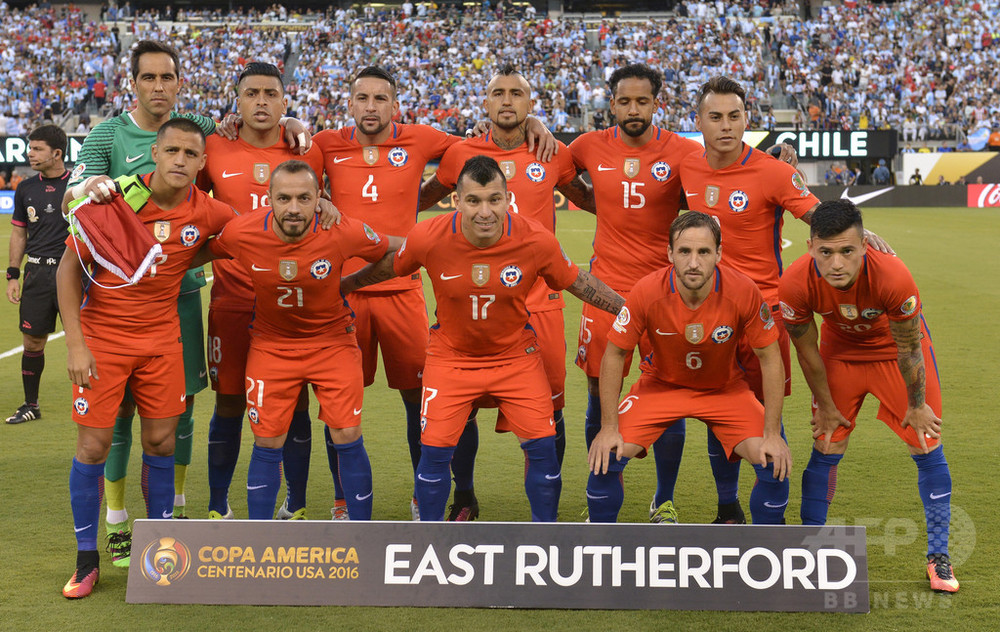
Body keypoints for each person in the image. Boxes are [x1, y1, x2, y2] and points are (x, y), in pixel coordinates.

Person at [63, 39, 310, 563]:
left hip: (175, 316)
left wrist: (293, 133)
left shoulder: (205, 151)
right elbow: (73, 207)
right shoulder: (117, 166)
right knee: (103, 436)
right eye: (147, 77)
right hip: (107, 320)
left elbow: (247, 226)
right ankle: (106, 532)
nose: (158, 86)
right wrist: (92, 191)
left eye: (167, 77)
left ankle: (165, 529)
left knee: (168, 427)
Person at [314, 65, 555, 520]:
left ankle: (431, 494)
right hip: (344, 293)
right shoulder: (325, 144)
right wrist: (319, 191)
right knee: (337, 404)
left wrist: (533, 123)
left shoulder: (423, 139)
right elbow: (293, 181)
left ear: (395, 105)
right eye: (361, 98)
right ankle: (343, 501)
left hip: (403, 290)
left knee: (422, 397)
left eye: (380, 99)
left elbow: (482, 147)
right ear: (348, 104)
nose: (370, 107)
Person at [343, 156, 623, 522]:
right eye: (474, 200)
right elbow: (390, 266)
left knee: (542, 448)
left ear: (508, 199)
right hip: (451, 358)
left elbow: (578, 282)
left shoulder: (536, 239)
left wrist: (628, 310)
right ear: (456, 201)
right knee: (434, 452)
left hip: (515, 357)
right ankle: (431, 538)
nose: (485, 211)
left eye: (494, 199)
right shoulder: (429, 236)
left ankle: (547, 535)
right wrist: (343, 286)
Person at [679, 76, 892, 522]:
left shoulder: (774, 172)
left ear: (746, 120)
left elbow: (816, 215)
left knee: (766, 420)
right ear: (698, 121)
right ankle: (727, 507)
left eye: (734, 116)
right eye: (715, 116)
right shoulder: (688, 166)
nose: (725, 126)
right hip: (705, 313)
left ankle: (772, 526)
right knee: (720, 419)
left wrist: (859, 233)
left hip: (762, 316)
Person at [57, 119, 236, 598]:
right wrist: (76, 343)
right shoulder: (115, 200)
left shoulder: (210, 210)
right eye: (171, 150)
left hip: (162, 343)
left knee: (160, 443)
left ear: (202, 163)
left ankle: (158, 559)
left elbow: (247, 236)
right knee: (93, 448)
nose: (180, 159)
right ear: (153, 153)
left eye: (190, 153)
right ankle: (86, 559)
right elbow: (69, 270)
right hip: (103, 341)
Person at [418, 63, 593, 519]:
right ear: (486, 102)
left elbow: (597, 197)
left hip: (542, 301)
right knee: (463, 406)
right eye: (499, 92)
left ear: (531, 104)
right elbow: (418, 196)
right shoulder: (462, 154)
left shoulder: (553, 152)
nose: (508, 100)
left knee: (551, 409)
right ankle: (465, 496)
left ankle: (545, 505)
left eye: (518, 93)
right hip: (479, 301)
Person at [570, 63, 740, 526]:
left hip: (668, 295)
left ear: (656, 104)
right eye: (624, 101)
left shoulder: (682, 152)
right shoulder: (587, 146)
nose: (633, 109)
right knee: (596, 397)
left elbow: (726, 170)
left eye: (642, 101)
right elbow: (557, 173)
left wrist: (783, 155)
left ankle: (663, 499)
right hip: (604, 291)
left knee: (672, 392)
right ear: (611, 104)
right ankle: (601, 495)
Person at [778, 199, 958, 593]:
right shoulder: (794, 283)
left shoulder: (893, 276)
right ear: (810, 247)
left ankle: (939, 558)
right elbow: (807, 352)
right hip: (840, 355)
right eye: (825, 252)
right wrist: (825, 406)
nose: (836, 263)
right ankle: (808, 551)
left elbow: (910, 348)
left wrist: (915, 405)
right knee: (826, 442)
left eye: (847, 251)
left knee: (927, 441)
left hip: (894, 355)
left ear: (865, 246)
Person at [207, 160, 398, 521]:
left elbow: (398, 249)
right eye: (284, 198)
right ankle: (259, 544)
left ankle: (362, 535)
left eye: (303, 198)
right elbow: (198, 251)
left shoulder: (341, 229)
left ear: (319, 199)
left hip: (333, 344)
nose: (293, 208)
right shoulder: (242, 232)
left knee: (346, 433)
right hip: (270, 347)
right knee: (267, 440)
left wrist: (354, 282)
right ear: (269, 199)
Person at [587, 212, 791, 524]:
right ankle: (600, 550)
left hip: (725, 389)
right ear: (670, 253)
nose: (693, 263)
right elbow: (614, 354)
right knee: (606, 458)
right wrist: (608, 426)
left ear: (719, 254)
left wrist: (773, 432)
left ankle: (769, 554)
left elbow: (770, 358)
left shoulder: (744, 291)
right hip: (661, 387)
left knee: (773, 460)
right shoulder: (646, 291)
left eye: (704, 252)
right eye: (684, 251)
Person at [196, 62, 327, 521]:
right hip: (232, 300)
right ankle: (217, 505)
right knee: (228, 401)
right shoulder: (213, 147)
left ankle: (297, 502)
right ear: (238, 100)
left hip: (295, 304)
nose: (262, 102)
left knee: (294, 403)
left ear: (285, 102)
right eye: (251, 93)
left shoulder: (308, 151)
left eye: (271, 94)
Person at [6, 125, 70, 424]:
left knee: (87, 340)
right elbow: (19, 233)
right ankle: (31, 404)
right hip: (37, 274)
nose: (29, 153)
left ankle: (97, 402)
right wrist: (13, 275)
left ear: (57, 154)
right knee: (33, 342)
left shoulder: (80, 185)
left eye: (37, 149)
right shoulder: (25, 188)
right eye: (29, 148)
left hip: (72, 273)